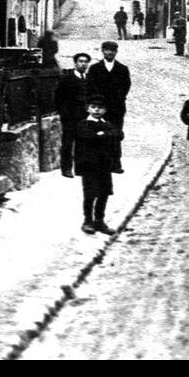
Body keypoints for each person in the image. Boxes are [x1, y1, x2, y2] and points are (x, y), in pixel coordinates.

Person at [74, 96, 122, 235]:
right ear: (88, 109)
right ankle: (88, 221)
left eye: (100, 108)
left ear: (105, 110)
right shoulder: (83, 124)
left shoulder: (107, 124)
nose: (97, 110)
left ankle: (99, 221)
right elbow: (88, 137)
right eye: (93, 107)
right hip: (89, 165)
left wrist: (103, 134)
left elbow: (119, 134)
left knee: (104, 193)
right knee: (90, 193)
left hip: (104, 165)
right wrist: (105, 135)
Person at [87, 41, 131, 173]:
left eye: (113, 50)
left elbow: (126, 86)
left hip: (117, 108)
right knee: (99, 134)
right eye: (107, 50)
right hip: (99, 109)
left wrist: (117, 98)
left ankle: (116, 164)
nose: (110, 53)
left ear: (116, 52)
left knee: (115, 135)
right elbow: (91, 86)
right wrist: (98, 103)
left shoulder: (122, 69)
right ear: (102, 51)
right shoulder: (95, 69)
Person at [55, 51, 92, 177]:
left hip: (84, 116)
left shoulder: (88, 79)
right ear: (75, 63)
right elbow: (58, 97)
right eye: (80, 61)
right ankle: (66, 169)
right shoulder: (67, 79)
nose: (83, 64)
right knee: (68, 143)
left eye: (85, 62)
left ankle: (80, 168)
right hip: (69, 116)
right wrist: (63, 114)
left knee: (82, 142)